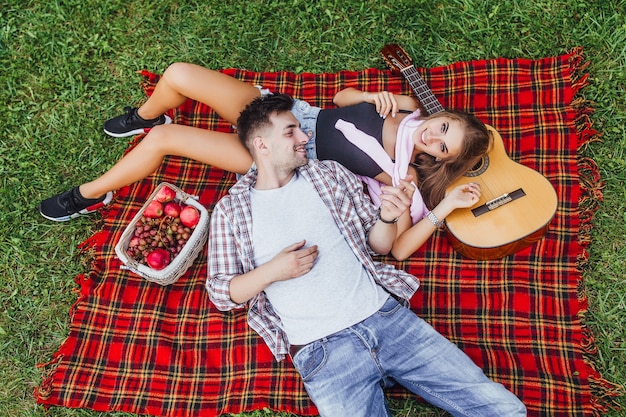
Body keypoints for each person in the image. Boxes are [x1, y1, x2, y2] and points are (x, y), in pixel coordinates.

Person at [206, 92, 526, 417]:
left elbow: (378, 244)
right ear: (262, 145)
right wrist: (272, 271)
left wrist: (388, 216)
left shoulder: (329, 173)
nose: (305, 135)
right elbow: (220, 291)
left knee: (504, 410)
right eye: (291, 131)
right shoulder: (232, 211)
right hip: (323, 351)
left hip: (387, 320)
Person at [39, 63, 488, 259]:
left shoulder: (403, 173)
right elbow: (339, 100)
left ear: (439, 159)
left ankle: (90, 194)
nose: (435, 137)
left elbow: (397, 246)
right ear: (443, 114)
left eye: (442, 148)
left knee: (165, 139)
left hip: (288, 152)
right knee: (177, 74)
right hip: (293, 113)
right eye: (444, 127)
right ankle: (143, 113)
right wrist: (370, 95)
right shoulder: (408, 106)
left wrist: (441, 209)